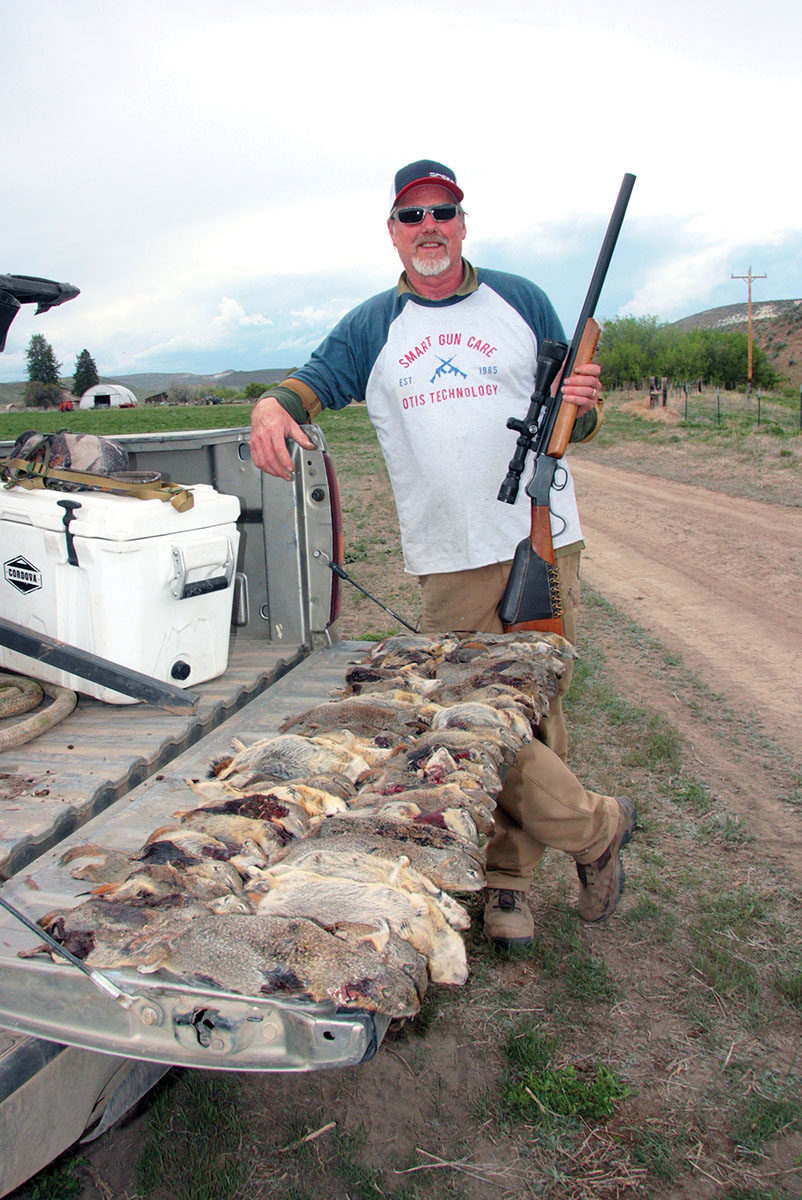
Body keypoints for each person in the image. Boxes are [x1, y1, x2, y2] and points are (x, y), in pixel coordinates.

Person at [250, 159, 636, 945]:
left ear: (464, 223)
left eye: (443, 212)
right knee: (467, 716)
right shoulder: (372, 323)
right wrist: (270, 404)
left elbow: (577, 417)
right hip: (446, 554)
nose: (429, 228)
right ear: (392, 232)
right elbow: (312, 381)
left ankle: (507, 883)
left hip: (544, 540)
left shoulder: (521, 300)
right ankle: (597, 829)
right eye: (411, 216)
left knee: (532, 714)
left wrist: (583, 411)